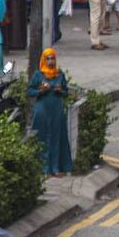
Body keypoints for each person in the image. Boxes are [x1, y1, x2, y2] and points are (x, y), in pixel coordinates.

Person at [30, 47, 73, 175]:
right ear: (44, 60)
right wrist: (40, 91)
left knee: (56, 137)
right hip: (42, 109)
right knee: (42, 137)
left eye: (52, 58)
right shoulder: (38, 75)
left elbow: (66, 93)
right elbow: (29, 91)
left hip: (56, 109)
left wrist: (60, 90)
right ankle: (43, 168)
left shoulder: (59, 74)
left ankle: (56, 167)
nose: (51, 61)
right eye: (48, 58)